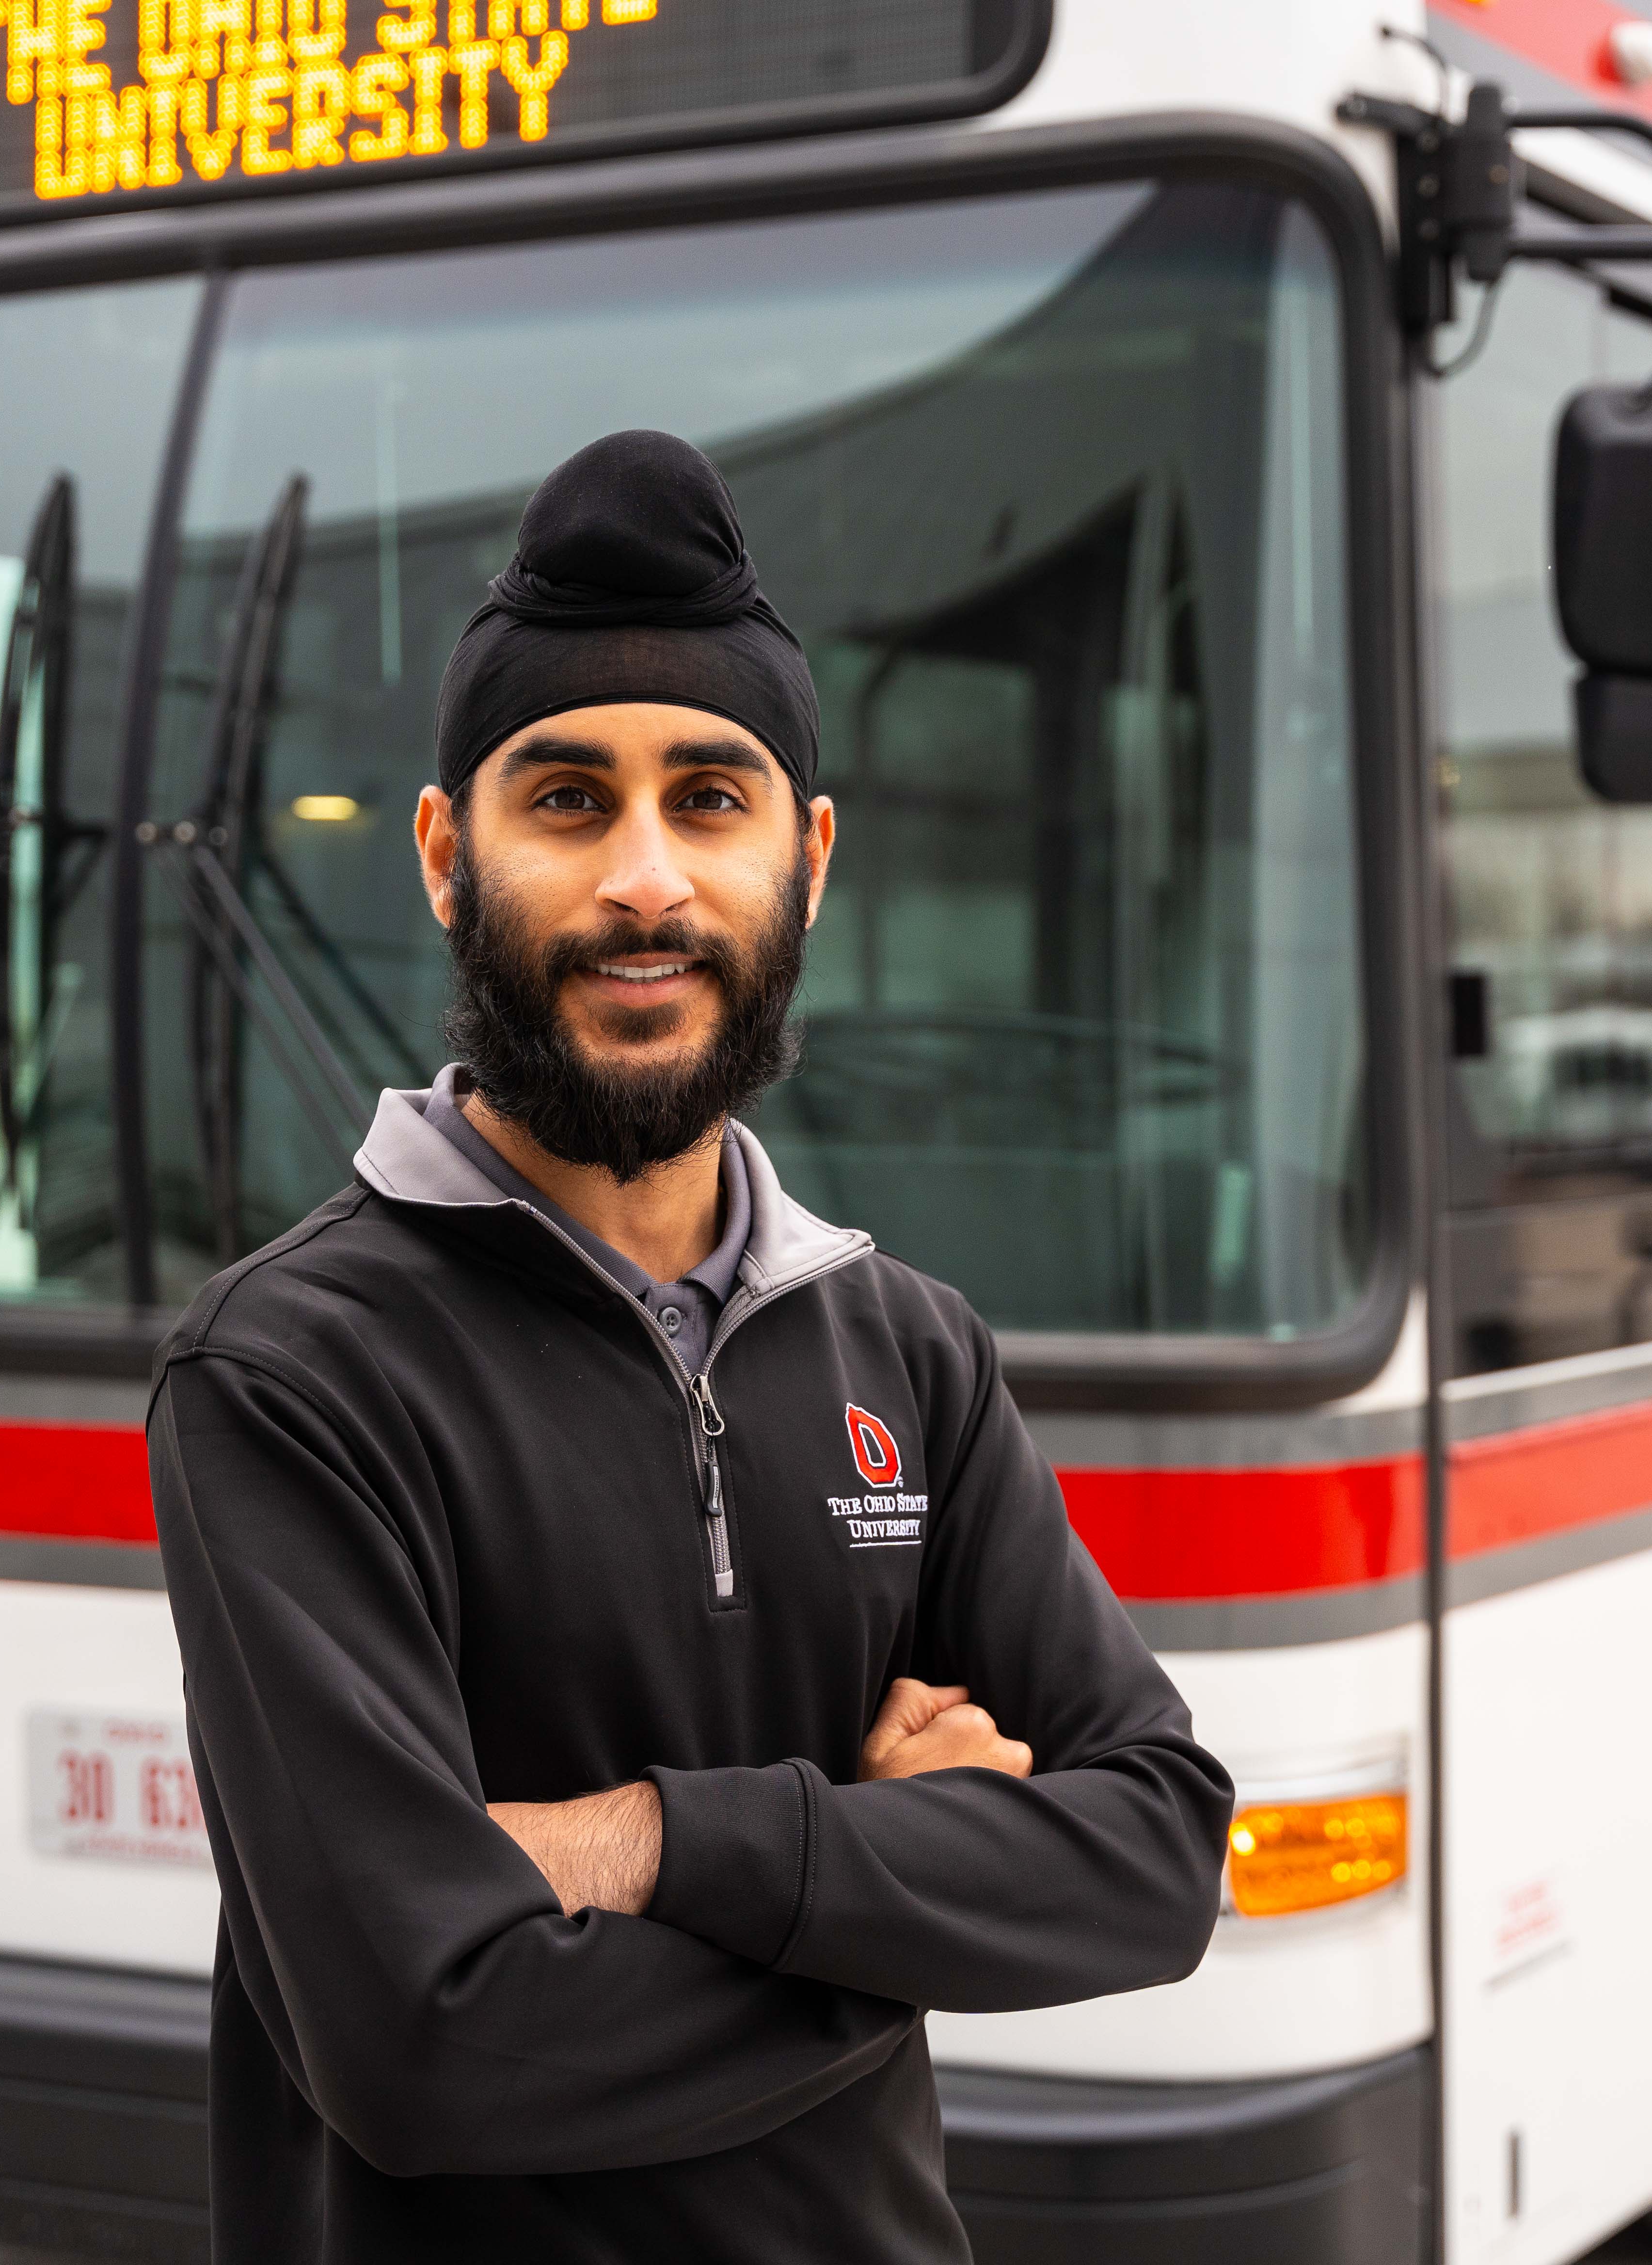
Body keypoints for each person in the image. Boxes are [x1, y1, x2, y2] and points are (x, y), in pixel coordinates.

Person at [149, 429, 1233, 2263]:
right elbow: (419, 2046)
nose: (644, 880)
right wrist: (899, 1904)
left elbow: (1153, 1857)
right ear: (445, 854)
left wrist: (643, 1846)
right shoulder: (290, 1376)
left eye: (710, 799)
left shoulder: (912, 1353)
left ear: (807, 859)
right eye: (567, 799)